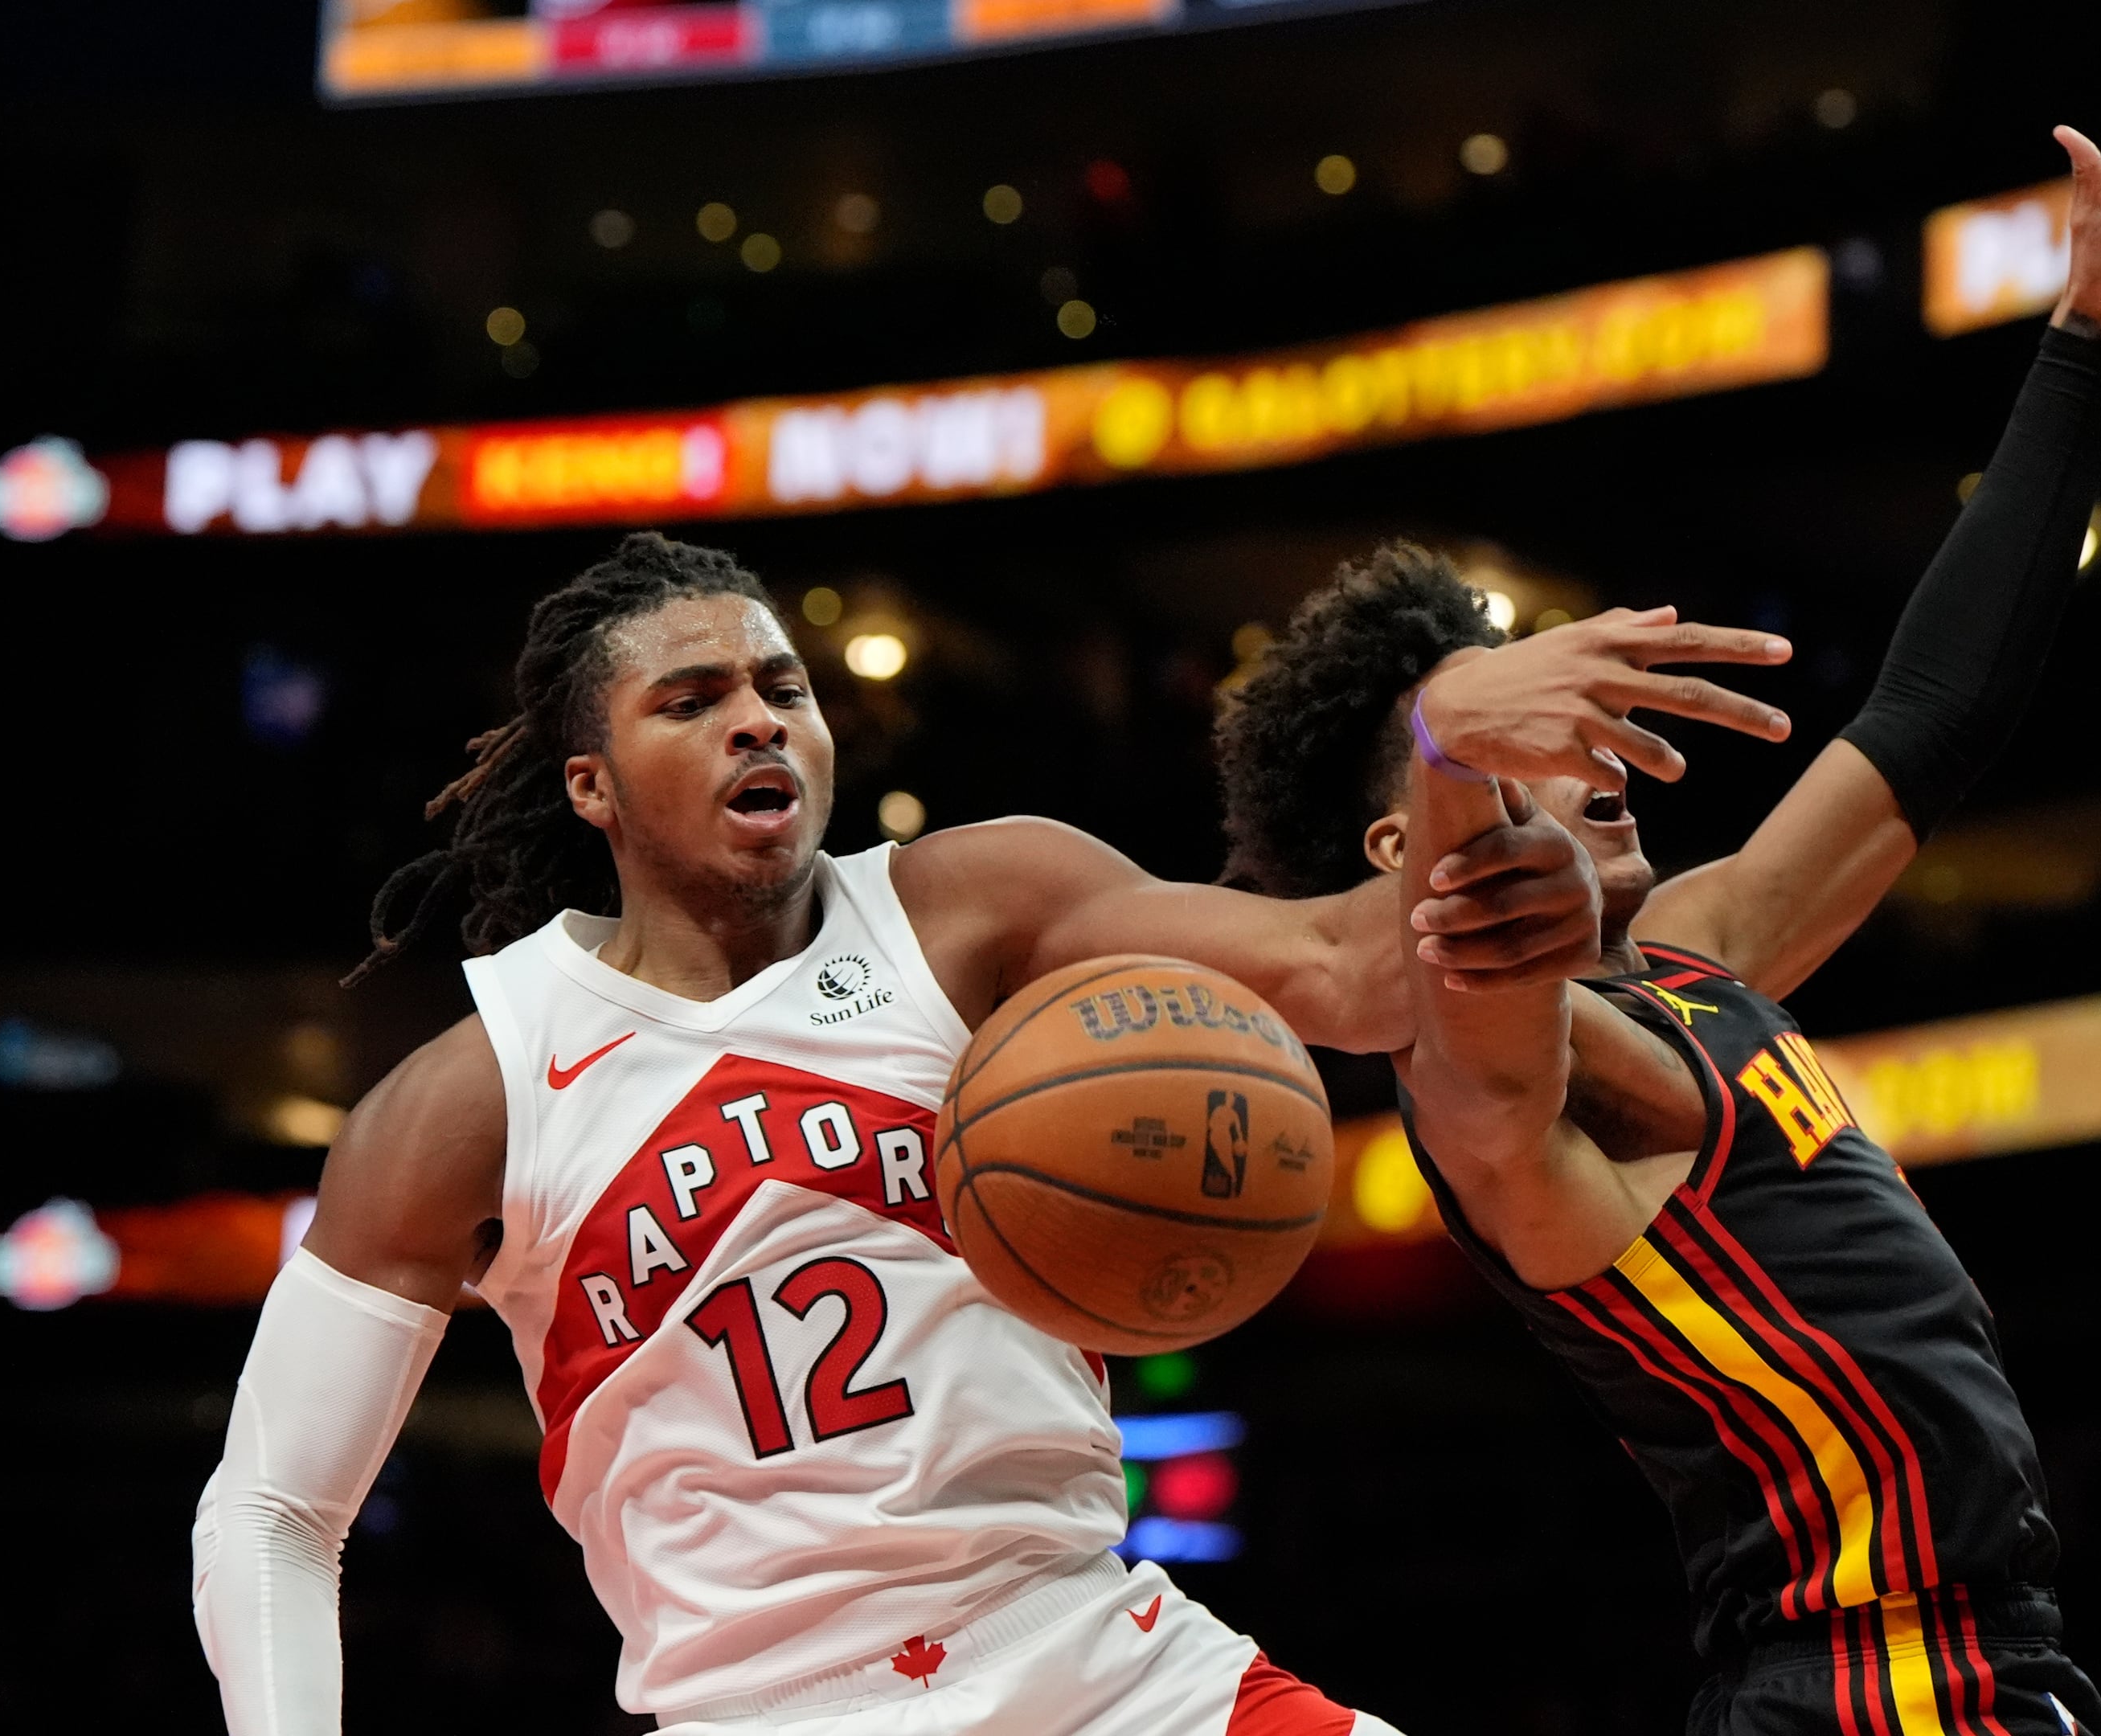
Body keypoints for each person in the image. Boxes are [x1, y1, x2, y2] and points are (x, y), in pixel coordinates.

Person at [187, 530, 1786, 1736]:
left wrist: (1451, 755)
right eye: (697, 702)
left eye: (782, 690)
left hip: (1099, 1658)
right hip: (771, 1712)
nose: (762, 724)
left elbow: (1345, 974)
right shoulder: (470, 1096)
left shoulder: (974, 905)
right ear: (596, 788)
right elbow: (272, 1507)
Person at [1212, 27, 2101, 1734]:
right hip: (1871, 1681)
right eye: (1534, 733)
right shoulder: (1497, 1086)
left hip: (1969, 1666)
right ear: (1404, 843)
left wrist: (2091, 344)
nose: (1583, 745)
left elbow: (1934, 718)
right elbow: (1460, 990)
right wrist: (1447, 736)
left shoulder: (1693, 951)